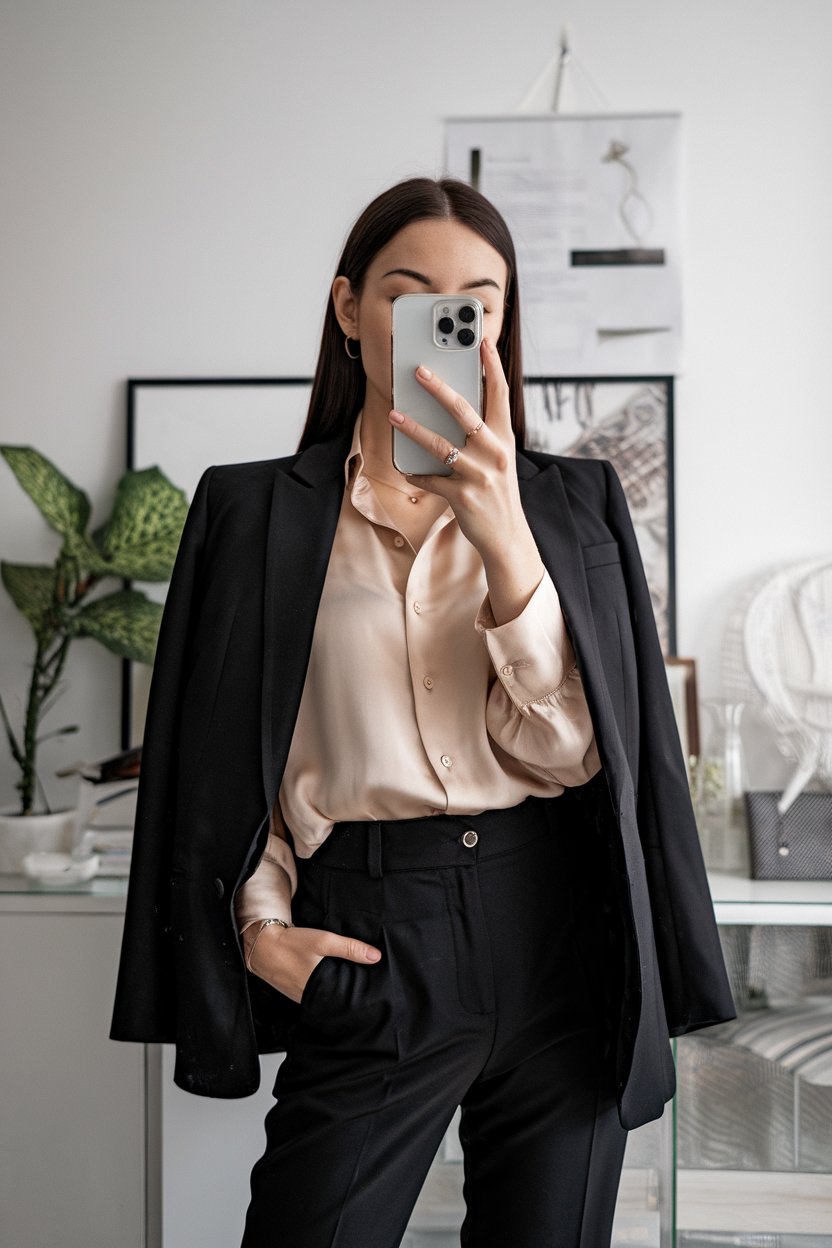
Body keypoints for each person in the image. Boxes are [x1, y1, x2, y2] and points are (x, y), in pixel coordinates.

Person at [111, 177, 736, 1248]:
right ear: (351, 309)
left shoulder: (574, 506)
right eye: (410, 292)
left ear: (499, 327)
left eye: (478, 300)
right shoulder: (252, 511)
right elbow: (223, 764)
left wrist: (500, 537)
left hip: (559, 934)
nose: (449, 319)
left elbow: (578, 754)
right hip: (370, 932)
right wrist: (262, 931)